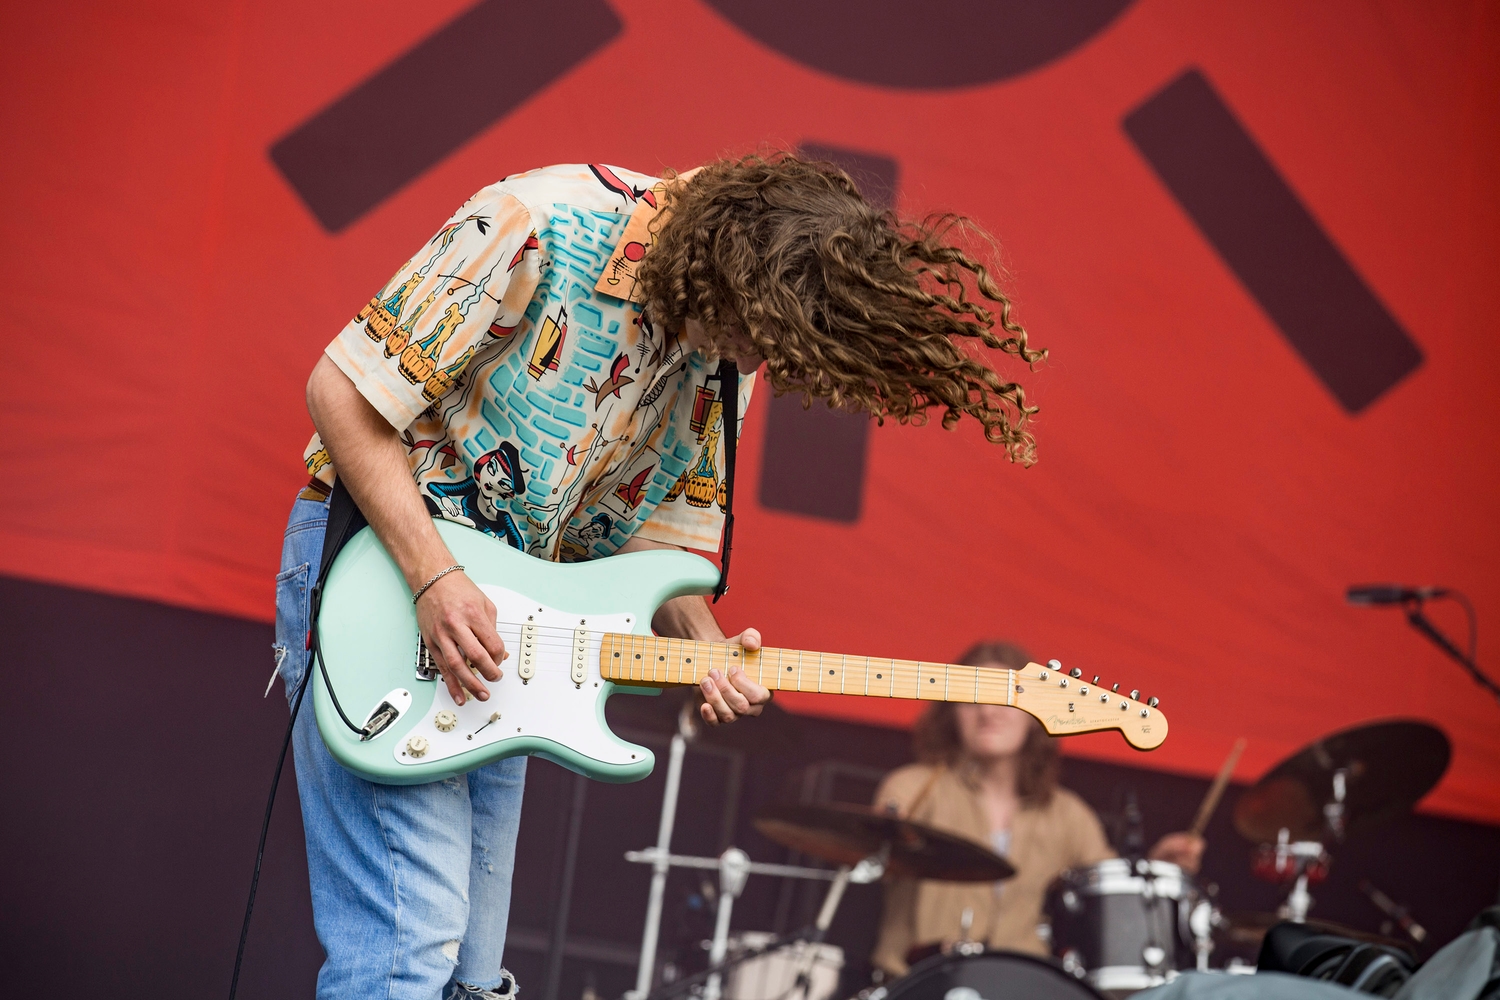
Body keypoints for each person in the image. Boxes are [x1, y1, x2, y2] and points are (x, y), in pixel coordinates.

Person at [274, 155, 1045, 999]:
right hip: (386, 576)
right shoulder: (538, 221)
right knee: (406, 950)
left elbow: (659, 537)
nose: (754, 360)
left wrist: (707, 646)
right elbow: (341, 391)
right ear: (727, 263)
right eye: (755, 335)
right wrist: (434, 579)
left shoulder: (729, 356)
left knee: (471, 975)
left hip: (505, 624)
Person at [871, 641, 1205, 977]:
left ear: (1036, 712)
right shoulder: (912, 787)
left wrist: (1156, 871)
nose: (988, 711)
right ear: (951, 711)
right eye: (973, 695)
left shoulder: (1069, 814)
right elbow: (872, 846)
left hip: (1026, 987)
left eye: (1005, 696)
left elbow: (1109, 898)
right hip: (920, 983)